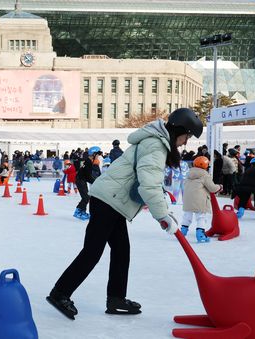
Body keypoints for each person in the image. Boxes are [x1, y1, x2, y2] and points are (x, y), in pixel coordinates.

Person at [46, 107, 202, 320]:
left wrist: (163, 211)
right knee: (93, 251)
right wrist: (162, 216)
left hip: (113, 202)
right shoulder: (156, 146)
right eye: (187, 136)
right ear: (179, 130)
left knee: (121, 250)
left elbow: (150, 182)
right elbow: (149, 185)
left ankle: (116, 298)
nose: (185, 142)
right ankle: (60, 293)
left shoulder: (155, 142)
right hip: (108, 200)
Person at [180, 156, 222, 243]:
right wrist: (219, 187)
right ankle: (200, 235)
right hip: (199, 200)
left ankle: (182, 233)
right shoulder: (205, 175)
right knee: (201, 217)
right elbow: (212, 188)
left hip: (187, 199)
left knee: (187, 216)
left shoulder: (189, 174)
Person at [73, 147, 96, 221]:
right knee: (86, 197)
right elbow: (88, 176)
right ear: (94, 154)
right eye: (98, 154)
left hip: (81, 180)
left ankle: (82, 211)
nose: (98, 156)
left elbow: (87, 175)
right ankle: (78, 212)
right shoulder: (89, 162)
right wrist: (95, 182)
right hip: (80, 180)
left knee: (86, 197)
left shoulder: (88, 161)